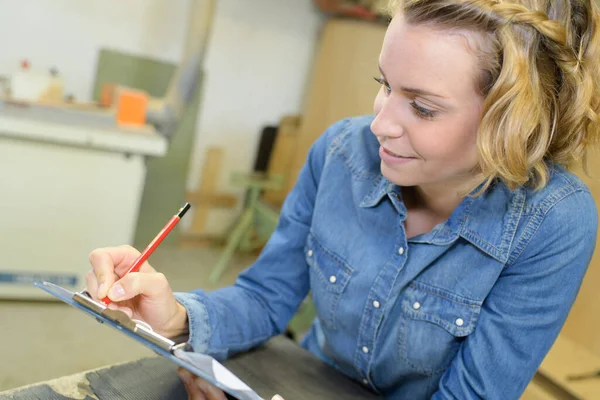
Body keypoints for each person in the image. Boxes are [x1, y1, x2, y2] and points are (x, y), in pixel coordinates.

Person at [86, 0, 600, 398]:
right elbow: (267, 299)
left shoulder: (555, 221)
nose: (380, 124)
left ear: (515, 120)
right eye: (384, 84)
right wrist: (172, 315)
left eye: (421, 107)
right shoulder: (341, 152)